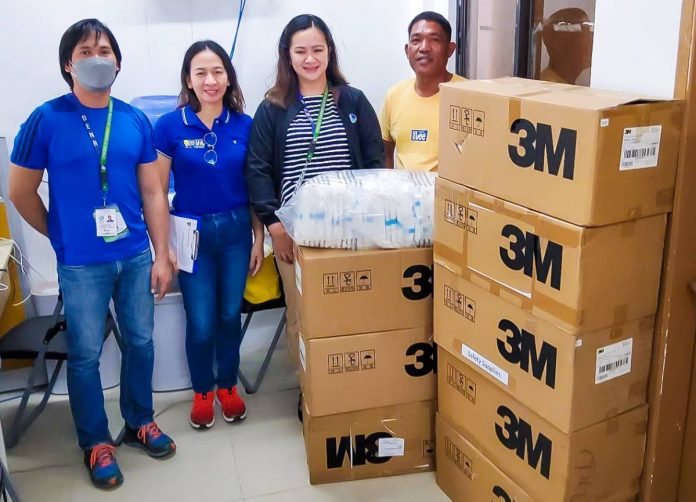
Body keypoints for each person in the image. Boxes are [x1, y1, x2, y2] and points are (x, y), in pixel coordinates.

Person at [8, 19, 175, 490]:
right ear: (68, 63)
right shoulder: (47, 118)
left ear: (118, 63)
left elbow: (153, 193)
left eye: (104, 50)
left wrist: (162, 254)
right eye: (85, 51)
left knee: (141, 342)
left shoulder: (133, 119)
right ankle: (96, 442)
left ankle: (140, 420)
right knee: (84, 355)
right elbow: (19, 191)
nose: (97, 57)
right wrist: (59, 236)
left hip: (135, 255)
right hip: (81, 264)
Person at [246, 14, 384, 369]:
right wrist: (275, 229)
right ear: (287, 55)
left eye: (317, 49)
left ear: (329, 52)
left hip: (350, 231)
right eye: (301, 50)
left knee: (354, 312)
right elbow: (258, 170)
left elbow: (374, 164)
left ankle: (350, 383)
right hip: (296, 233)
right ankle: (312, 392)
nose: (310, 58)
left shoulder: (353, 102)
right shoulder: (272, 108)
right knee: (302, 316)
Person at [154, 40, 264, 430]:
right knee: (200, 321)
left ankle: (227, 385)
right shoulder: (169, 127)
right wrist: (163, 247)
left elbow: (254, 186)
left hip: (235, 230)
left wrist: (259, 237)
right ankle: (202, 390)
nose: (210, 80)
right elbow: (156, 190)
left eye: (217, 71)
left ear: (228, 77)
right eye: (200, 72)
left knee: (228, 315)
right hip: (190, 234)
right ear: (188, 79)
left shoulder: (245, 125)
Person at [380, 11, 464, 172]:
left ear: (450, 49)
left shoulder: (468, 95)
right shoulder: (394, 95)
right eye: (416, 40)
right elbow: (386, 153)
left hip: (449, 196)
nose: (424, 48)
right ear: (407, 50)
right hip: (404, 196)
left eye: (434, 40)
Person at [540, 8, 594, 85]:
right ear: (560, 45)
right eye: (585, 30)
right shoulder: (552, 89)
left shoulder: (566, 85)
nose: (592, 38)